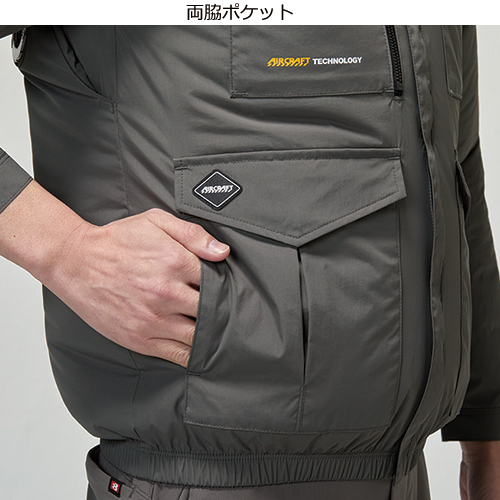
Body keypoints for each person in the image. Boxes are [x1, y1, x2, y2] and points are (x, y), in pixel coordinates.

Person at [0, 25, 499, 500]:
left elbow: (455, 171)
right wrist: (66, 250)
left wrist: (487, 428)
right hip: (200, 475)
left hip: (404, 474)